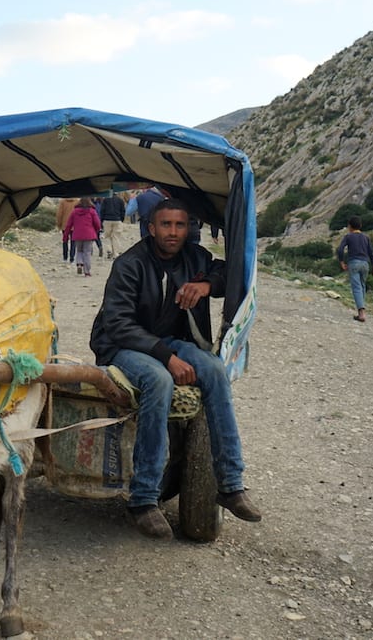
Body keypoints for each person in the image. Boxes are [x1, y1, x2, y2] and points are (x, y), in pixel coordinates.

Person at [89, 198, 261, 540]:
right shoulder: (129, 264)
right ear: (151, 228)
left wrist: (207, 285)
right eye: (165, 225)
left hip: (171, 340)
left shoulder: (196, 258)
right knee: (158, 379)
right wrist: (166, 356)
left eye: (180, 225)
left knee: (213, 368)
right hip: (123, 345)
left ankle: (230, 484)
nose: (173, 232)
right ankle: (144, 499)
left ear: (188, 229)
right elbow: (118, 324)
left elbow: (231, 270)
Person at [335, 215, 373, 322]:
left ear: (350, 226)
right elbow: (371, 252)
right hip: (365, 264)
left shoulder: (348, 237)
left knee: (356, 287)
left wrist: (341, 261)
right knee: (362, 286)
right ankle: (361, 310)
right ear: (360, 226)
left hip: (354, 263)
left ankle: (361, 313)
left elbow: (340, 249)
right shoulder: (366, 237)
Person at [66, 197, 102, 276]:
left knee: (79, 250)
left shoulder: (74, 212)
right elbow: (97, 223)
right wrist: (96, 231)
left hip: (77, 234)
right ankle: (87, 271)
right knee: (87, 252)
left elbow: (69, 225)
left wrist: (65, 236)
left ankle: (79, 263)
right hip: (89, 235)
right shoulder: (92, 211)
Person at [99, 192, 127, 258]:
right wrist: (121, 219)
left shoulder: (105, 200)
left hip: (107, 220)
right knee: (116, 237)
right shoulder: (120, 200)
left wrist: (101, 220)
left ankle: (109, 250)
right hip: (117, 220)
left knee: (107, 235)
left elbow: (102, 210)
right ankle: (115, 253)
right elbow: (123, 211)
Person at [55, 197, 78, 262]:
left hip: (65, 226)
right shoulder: (76, 202)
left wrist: (59, 224)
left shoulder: (63, 202)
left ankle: (65, 257)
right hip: (74, 225)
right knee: (73, 242)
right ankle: (72, 258)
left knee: (65, 241)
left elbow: (59, 214)